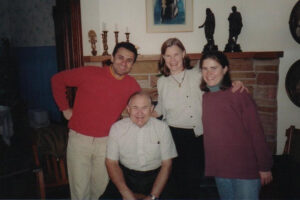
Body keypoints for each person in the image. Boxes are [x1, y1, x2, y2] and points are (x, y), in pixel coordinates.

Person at [152, 38, 246, 199]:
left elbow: (218, 85)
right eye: (168, 56)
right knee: (176, 182)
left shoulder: (197, 74)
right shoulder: (162, 82)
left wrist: (235, 84)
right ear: (163, 58)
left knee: (193, 182)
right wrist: (141, 114)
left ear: (184, 54)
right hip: (172, 136)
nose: (172, 60)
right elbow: (160, 107)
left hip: (197, 136)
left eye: (176, 54)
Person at [51, 42, 141, 200]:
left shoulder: (132, 85)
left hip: (106, 143)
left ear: (132, 64)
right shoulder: (89, 73)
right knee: (80, 192)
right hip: (79, 140)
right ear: (112, 57)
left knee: (99, 191)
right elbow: (57, 80)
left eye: (129, 60)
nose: (124, 63)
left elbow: (141, 106)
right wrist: (64, 108)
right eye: (120, 57)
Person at [199, 51, 273, 200]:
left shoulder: (238, 94)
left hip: (244, 170)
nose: (209, 73)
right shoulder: (206, 97)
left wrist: (265, 166)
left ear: (225, 69)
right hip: (220, 170)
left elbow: (256, 131)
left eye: (214, 68)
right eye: (205, 68)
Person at [103, 92, 177, 200]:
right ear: (128, 109)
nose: (139, 113)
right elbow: (111, 163)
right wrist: (125, 193)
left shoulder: (162, 128)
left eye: (144, 108)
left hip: (156, 177)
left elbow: (167, 165)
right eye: (135, 108)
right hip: (126, 177)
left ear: (151, 109)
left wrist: (153, 196)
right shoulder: (117, 128)